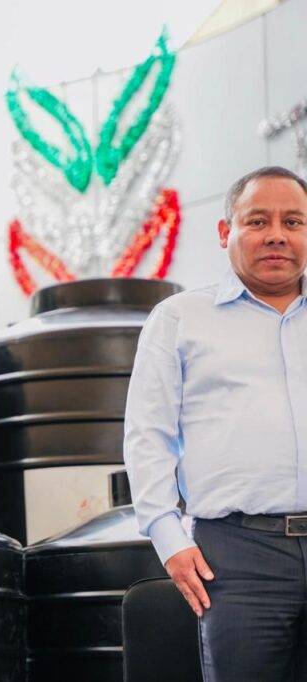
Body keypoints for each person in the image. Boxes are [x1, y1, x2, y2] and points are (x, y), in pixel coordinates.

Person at [124, 165, 307, 681]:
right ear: (226, 231)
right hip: (238, 555)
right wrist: (169, 539)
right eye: (258, 221)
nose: (277, 234)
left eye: (293, 222)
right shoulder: (180, 318)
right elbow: (148, 435)